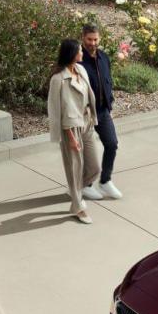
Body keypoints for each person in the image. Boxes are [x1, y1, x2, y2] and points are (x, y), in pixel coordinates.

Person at [48, 39, 101, 224]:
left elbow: (89, 96)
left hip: (86, 123)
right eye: (79, 50)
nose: (82, 53)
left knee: (94, 167)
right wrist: (70, 137)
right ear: (71, 53)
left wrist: (92, 119)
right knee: (75, 168)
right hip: (70, 128)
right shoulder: (58, 79)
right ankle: (77, 207)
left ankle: (75, 189)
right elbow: (57, 110)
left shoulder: (81, 70)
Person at [81, 24, 122, 199]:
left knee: (112, 144)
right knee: (87, 152)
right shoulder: (78, 60)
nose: (93, 43)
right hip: (85, 113)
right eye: (89, 39)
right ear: (83, 38)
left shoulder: (104, 57)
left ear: (100, 38)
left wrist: (109, 102)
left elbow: (108, 81)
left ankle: (105, 181)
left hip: (103, 111)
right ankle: (86, 184)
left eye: (96, 39)